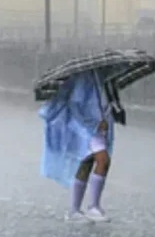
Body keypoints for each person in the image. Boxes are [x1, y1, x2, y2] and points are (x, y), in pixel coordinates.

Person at [38, 70, 116, 223]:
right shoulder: (84, 77)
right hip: (89, 128)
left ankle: (76, 210)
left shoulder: (100, 76)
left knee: (87, 163)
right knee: (103, 160)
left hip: (98, 128)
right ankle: (92, 207)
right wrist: (93, 122)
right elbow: (75, 103)